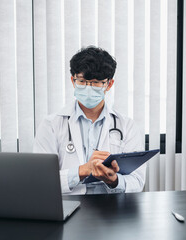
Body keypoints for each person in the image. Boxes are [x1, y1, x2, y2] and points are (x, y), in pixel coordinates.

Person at [33, 46, 146, 195]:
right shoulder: (51, 125)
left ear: (109, 84)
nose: (88, 87)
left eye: (95, 82)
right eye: (82, 81)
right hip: (68, 207)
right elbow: (41, 182)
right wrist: (83, 170)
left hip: (112, 209)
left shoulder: (127, 126)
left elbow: (137, 182)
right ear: (73, 81)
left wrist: (114, 180)